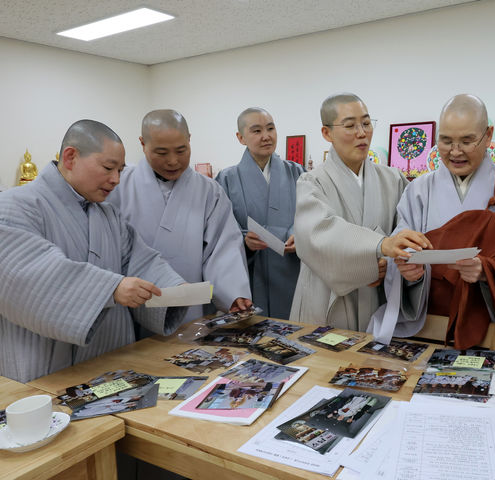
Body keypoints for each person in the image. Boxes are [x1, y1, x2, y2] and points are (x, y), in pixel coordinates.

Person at [0, 120, 187, 383]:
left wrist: (174, 291)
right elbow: (24, 277)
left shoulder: (109, 214)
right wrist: (110, 289)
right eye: (108, 168)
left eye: (120, 170)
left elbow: (140, 262)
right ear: (70, 157)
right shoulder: (13, 207)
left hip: (111, 359)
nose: (116, 180)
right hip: (45, 368)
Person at [369, 94, 495, 359]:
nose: (455, 152)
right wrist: (409, 273)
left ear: (488, 136)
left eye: (467, 141)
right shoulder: (418, 191)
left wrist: (487, 271)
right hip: (425, 325)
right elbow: (402, 242)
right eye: (446, 141)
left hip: (489, 329)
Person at [290, 92, 430, 331]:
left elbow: (409, 230)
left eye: (366, 123)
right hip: (326, 300)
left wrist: (402, 265)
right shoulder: (312, 182)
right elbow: (317, 236)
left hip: (378, 296)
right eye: (350, 125)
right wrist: (378, 249)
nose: (361, 133)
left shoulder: (393, 179)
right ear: (327, 133)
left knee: (373, 366)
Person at [108, 109, 252, 328]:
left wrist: (233, 293)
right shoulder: (118, 186)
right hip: (134, 307)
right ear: (142, 143)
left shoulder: (209, 191)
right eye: (162, 153)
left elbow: (222, 247)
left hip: (190, 307)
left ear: (190, 140)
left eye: (181, 150)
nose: (173, 161)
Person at [216, 108, 304, 320]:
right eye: (256, 131)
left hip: (292, 271)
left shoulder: (298, 172)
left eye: (270, 128)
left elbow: (312, 217)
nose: (266, 136)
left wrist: (300, 235)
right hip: (251, 274)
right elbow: (219, 231)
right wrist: (244, 241)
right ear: (241, 138)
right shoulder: (226, 178)